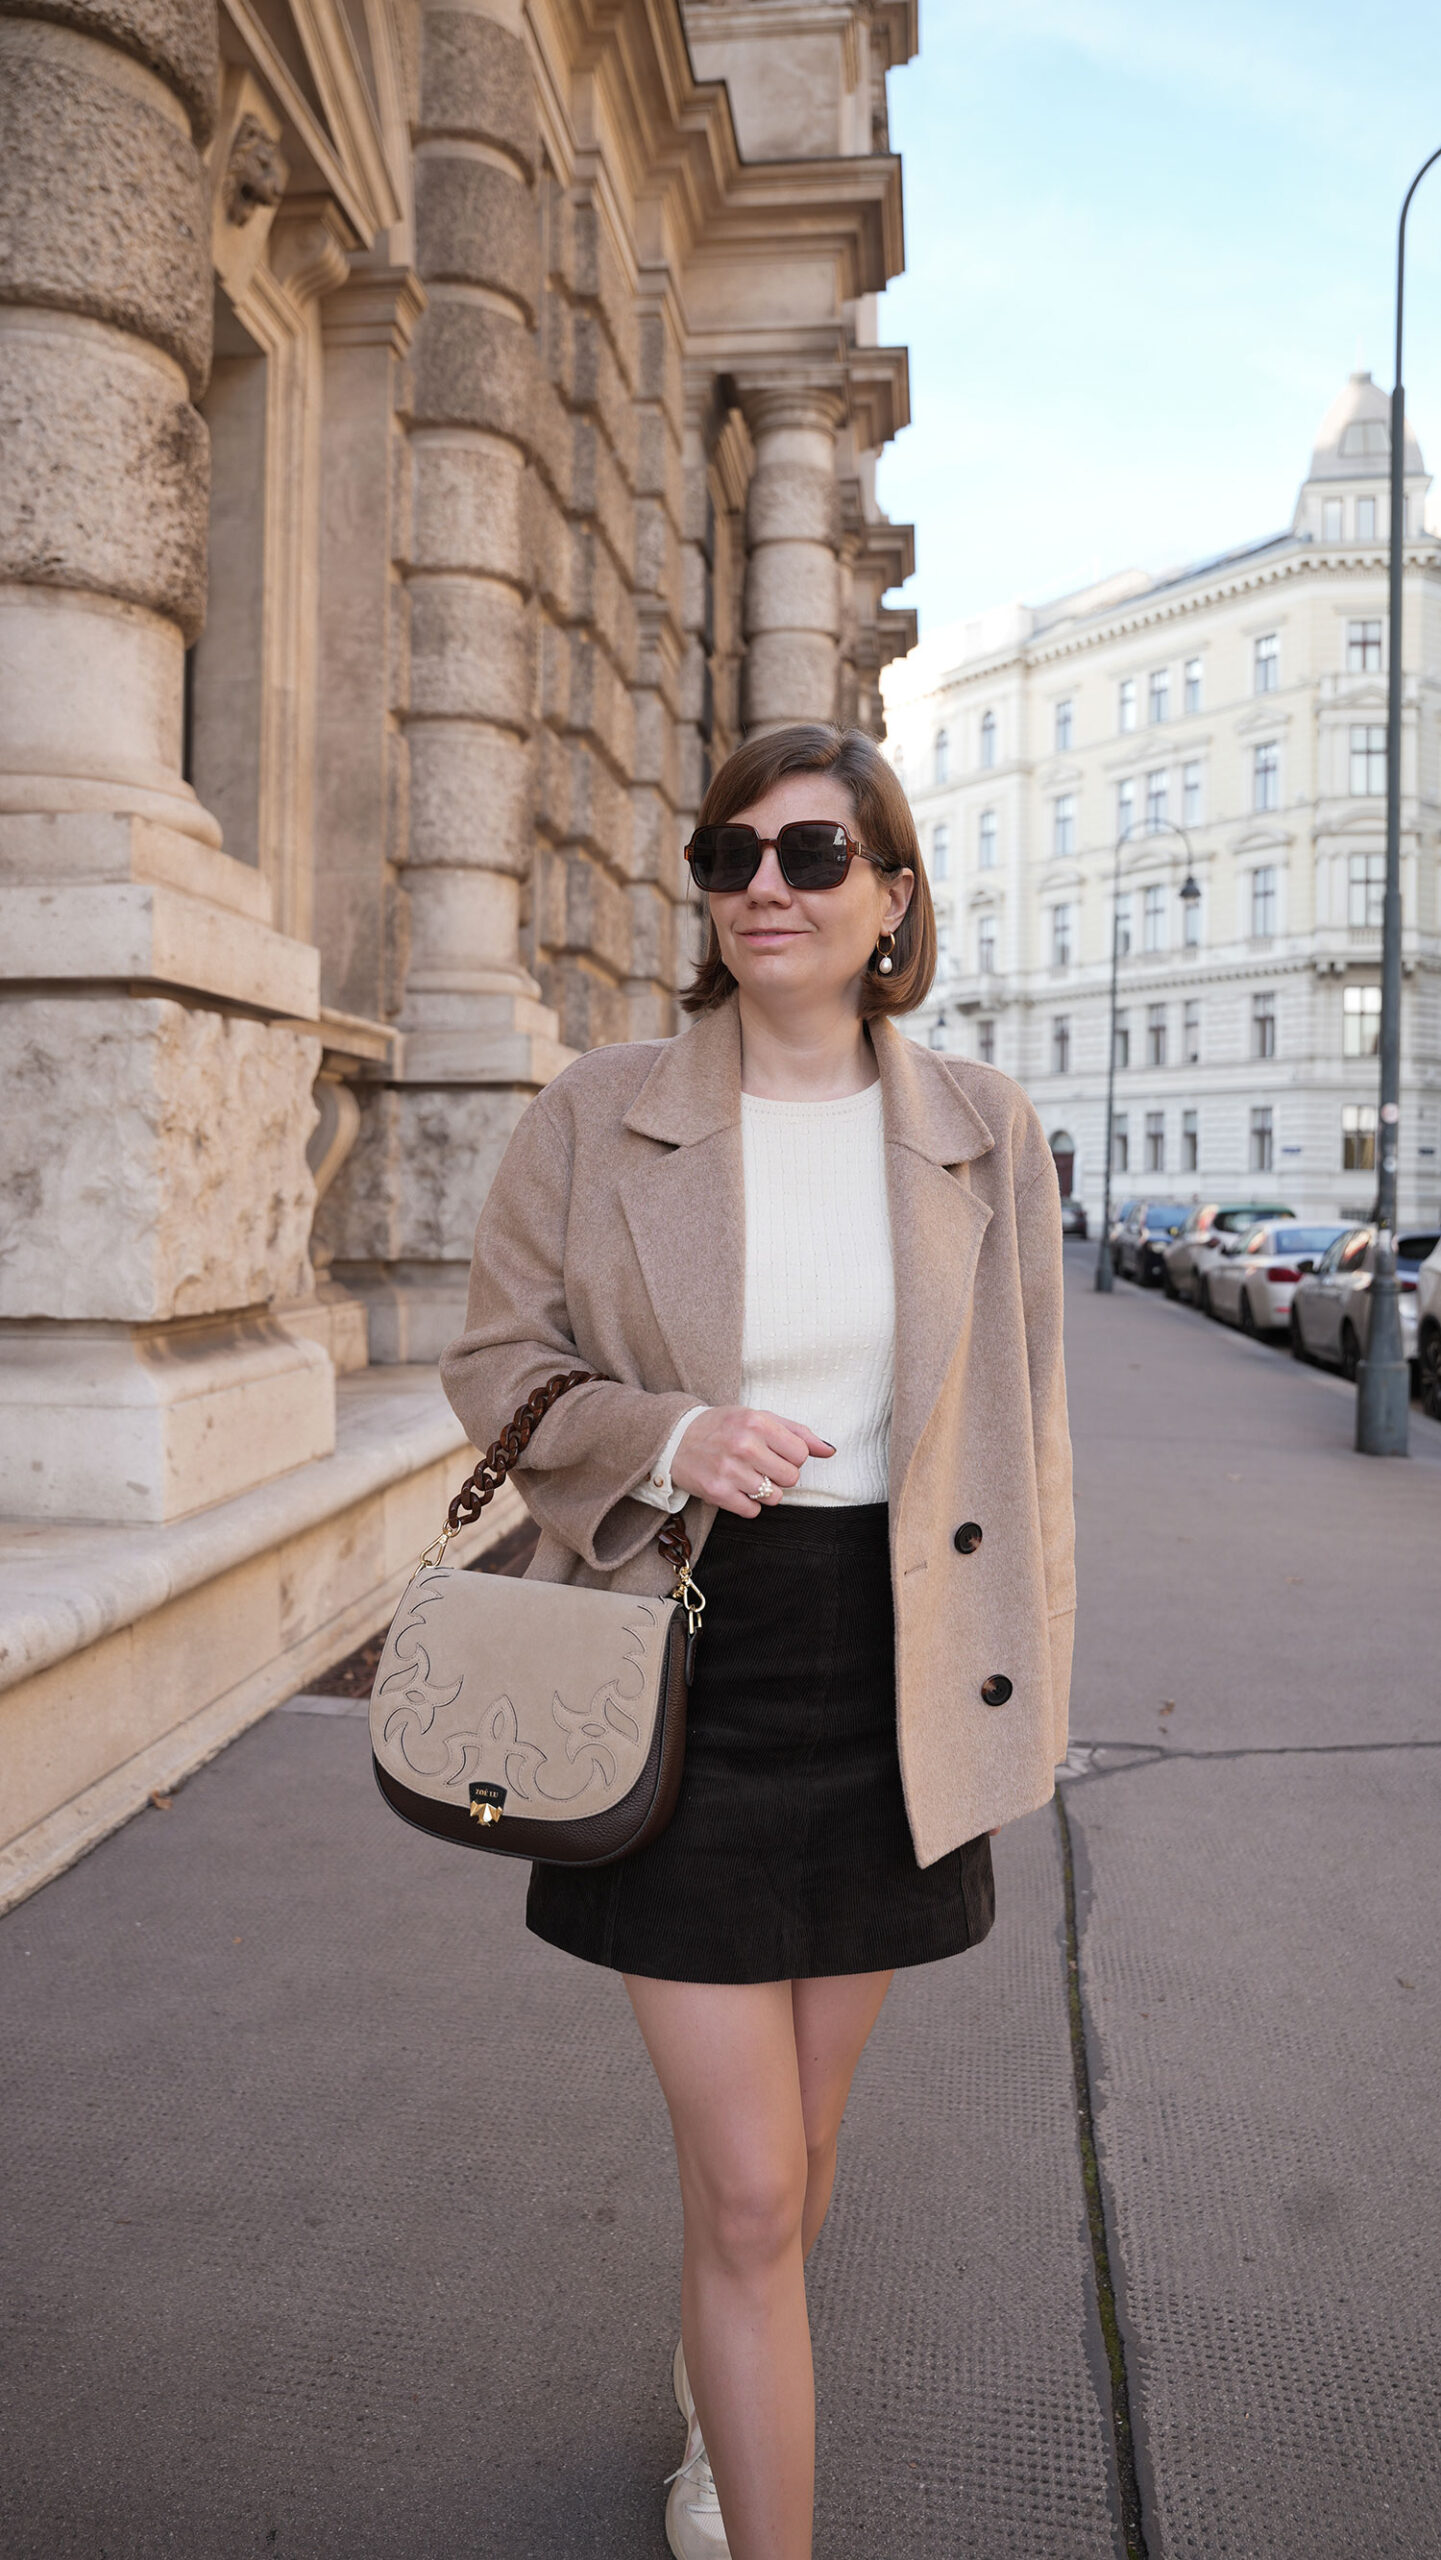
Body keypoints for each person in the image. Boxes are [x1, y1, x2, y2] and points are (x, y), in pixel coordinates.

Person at [440, 722, 1075, 2560]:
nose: (765, 891)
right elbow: (492, 1366)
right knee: (739, 2187)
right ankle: (757, 2473)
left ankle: (735, 2384)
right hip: (681, 1645)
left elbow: (1024, 1435)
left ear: (890, 894)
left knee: (794, 2165)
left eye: (810, 857)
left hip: (893, 1665)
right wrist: (663, 1434)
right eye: (730, 859)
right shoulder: (600, 1108)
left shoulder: (981, 1127)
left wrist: (1025, 1685)